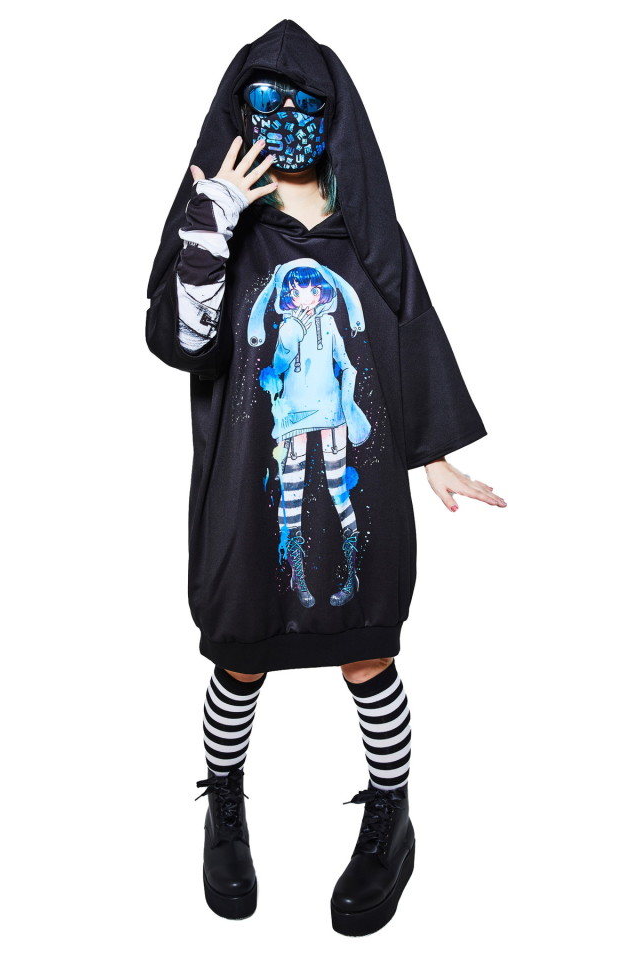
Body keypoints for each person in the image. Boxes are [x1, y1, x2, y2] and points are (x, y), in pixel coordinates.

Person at [145, 19, 506, 937]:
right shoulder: (226, 228)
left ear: (337, 116)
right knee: (240, 649)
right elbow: (184, 341)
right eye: (265, 101)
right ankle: (224, 802)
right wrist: (212, 220)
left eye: (305, 102)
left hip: (360, 464)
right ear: (236, 115)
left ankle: (392, 814)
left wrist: (433, 452)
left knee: (366, 647)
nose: (286, 117)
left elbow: (412, 334)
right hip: (247, 476)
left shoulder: (368, 236)